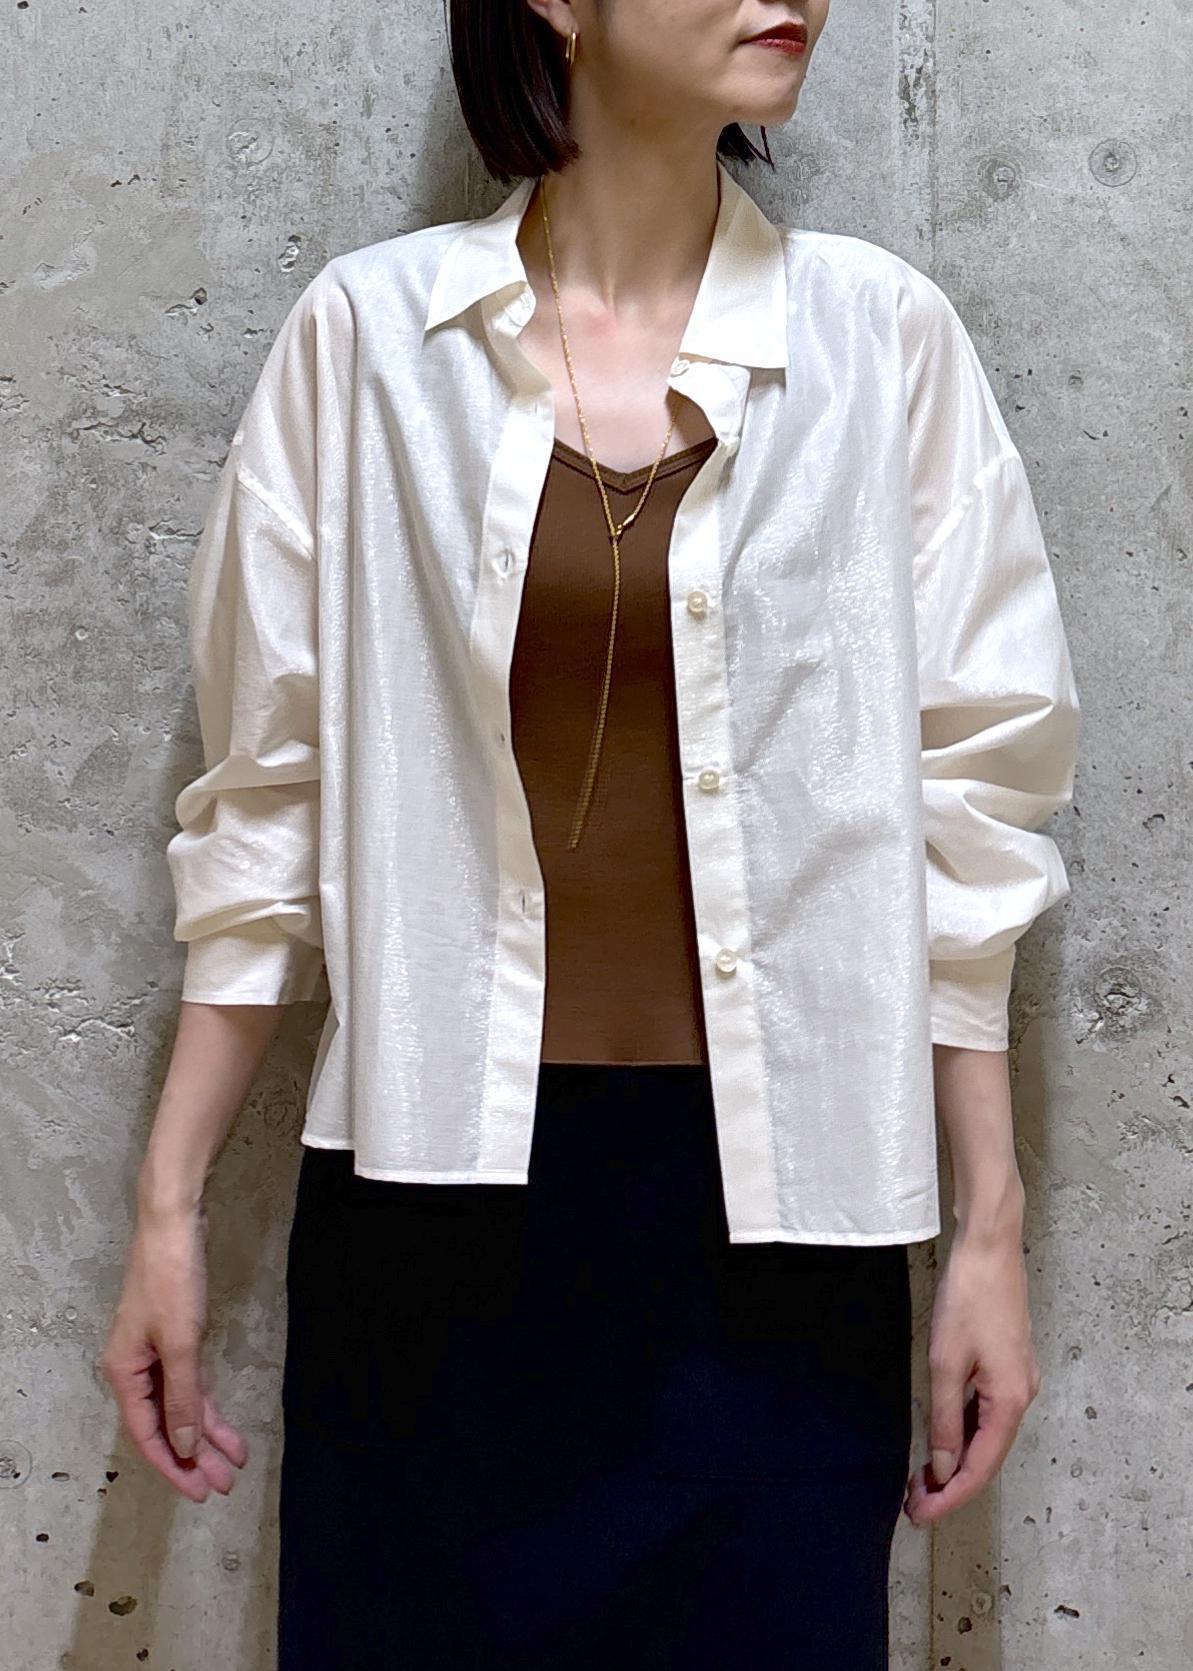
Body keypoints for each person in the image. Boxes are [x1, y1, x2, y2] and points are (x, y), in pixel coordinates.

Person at [100, 3, 1081, 1666]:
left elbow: (969, 810)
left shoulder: (882, 342)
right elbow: (266, 803)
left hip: (783, 1228)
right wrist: (169, 1209)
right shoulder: (370, 340)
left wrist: (986, 1230)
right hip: (433, 1217)